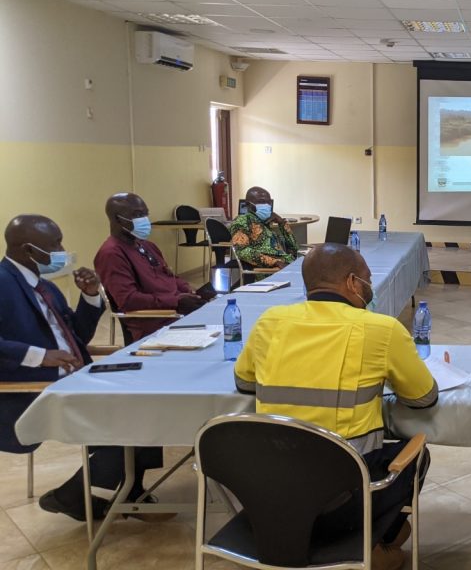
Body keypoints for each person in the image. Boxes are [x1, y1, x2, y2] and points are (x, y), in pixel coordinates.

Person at [234, 243, 438, 570]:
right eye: (368, 279)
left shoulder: (270, 321)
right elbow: (423, 397)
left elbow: (244, 382)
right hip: (342, 498)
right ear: (353, 283)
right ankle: (368, 546)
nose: (369, 286)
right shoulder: (380, 329)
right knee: (416, 455)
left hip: (271, 492)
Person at [0, 215, 161, 522]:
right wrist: (38, 355)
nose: (62, 250)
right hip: (33, 385)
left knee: (151, 395)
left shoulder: (45, 287)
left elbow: (78, 337)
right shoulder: (3, 283)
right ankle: (74, 496)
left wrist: (89, 296)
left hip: (75, 375)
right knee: (133, 415)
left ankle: (130, 487)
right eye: (54, 245)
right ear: (27, 250)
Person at [94, 193, 212, 342]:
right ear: (118, 219)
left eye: (145, 214)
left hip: (178, 312)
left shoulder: (147, 246)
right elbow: (128, 299)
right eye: (138, 215)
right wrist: (175, 302)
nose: (144, 219)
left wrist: (189, 290)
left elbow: (169, 276)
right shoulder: (111, 254)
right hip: (156, 323)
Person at [229, 186, 299, 269]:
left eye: (268, 202)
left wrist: (281, 223)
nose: (266, 205)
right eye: (261, 202)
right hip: (271, 271)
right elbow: (242, 251)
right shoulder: (242, 221)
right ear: (248, 205)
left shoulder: (265, 222)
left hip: (288, 264)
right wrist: (275, 262)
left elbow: (295, 248)